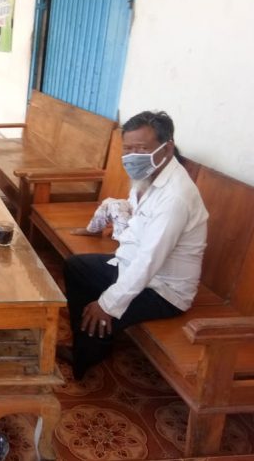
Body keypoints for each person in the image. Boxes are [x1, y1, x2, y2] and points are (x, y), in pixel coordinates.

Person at [62, 111, 208, 380]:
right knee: (77, 267)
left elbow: (149, 260)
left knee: (102, 307)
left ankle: (84, 361)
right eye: (127, 149)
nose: (132, 157)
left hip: (163, 291)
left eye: (141, 149)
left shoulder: (175, 197)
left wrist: (107, 303)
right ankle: (92, 343)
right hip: (131, 266)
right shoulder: (148, 176)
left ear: (167, 148)